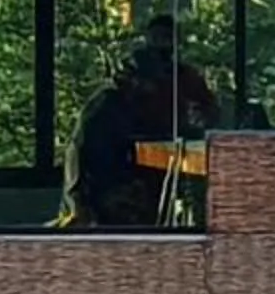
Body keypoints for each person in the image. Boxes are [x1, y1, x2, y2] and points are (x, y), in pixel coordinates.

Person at [65, 15, 219, 229]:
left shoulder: (184, 81)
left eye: (167, 38)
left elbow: (208, 113)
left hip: (163, 178)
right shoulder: (107, 105)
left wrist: (199, 118)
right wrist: (79, 203)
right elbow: (78, 152)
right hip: (116, 189)